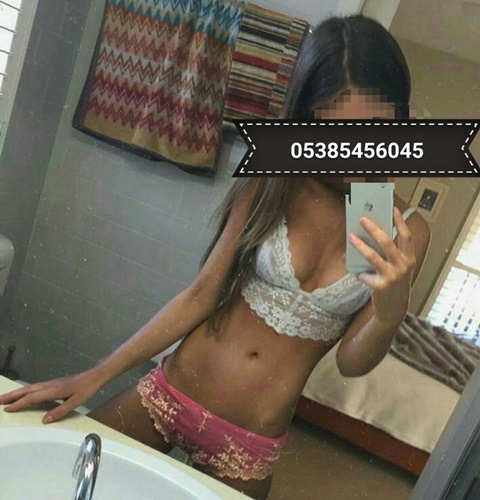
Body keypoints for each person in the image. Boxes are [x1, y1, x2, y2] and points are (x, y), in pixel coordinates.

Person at [0, 15, 431, 500]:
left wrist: (389, 312)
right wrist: (95, 375)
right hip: (170, 394)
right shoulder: (276, 179)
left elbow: (352, 363)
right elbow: (201, 294)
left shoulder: (393, 222)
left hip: (248, 446)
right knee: (61, 483)